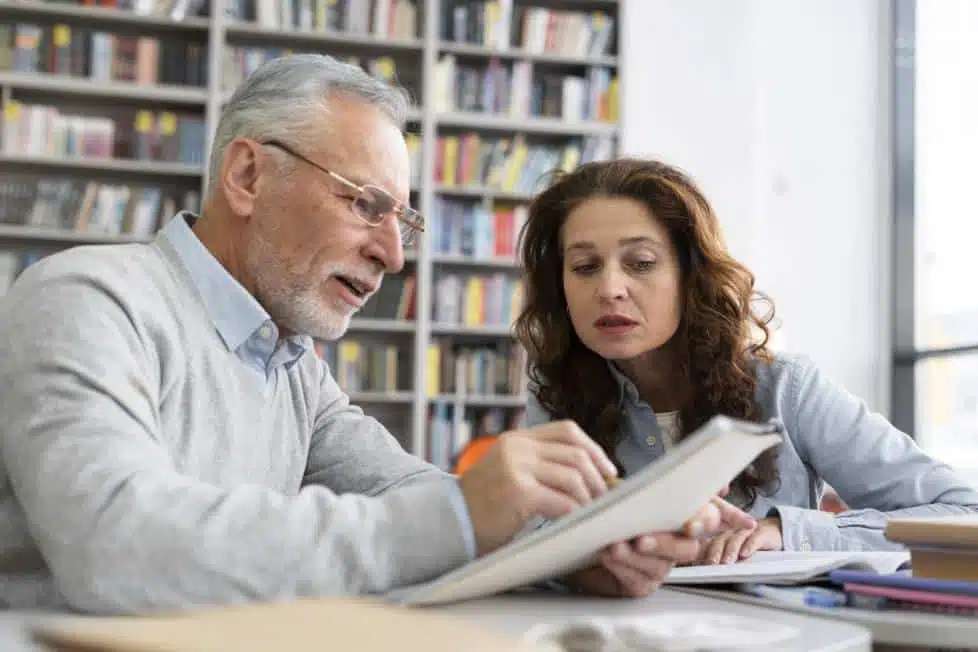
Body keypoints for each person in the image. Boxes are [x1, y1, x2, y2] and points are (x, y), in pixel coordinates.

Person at [0, 57, 749, 614]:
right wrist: (467, 518)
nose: (393, 255)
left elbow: (403, 490)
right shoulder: (85, 299)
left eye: (404, 222)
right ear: (249, 177)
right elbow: (115, 543)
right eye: (367, 205)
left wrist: (582, 542)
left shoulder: (289, 360)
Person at [515, 158, 978, 567]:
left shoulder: (786, 389)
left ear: (689, 277)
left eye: (640, 263)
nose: (610, 288)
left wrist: (788, 533)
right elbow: (533, 541)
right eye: (584, 267)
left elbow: (964, 515)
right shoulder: (554, 392)